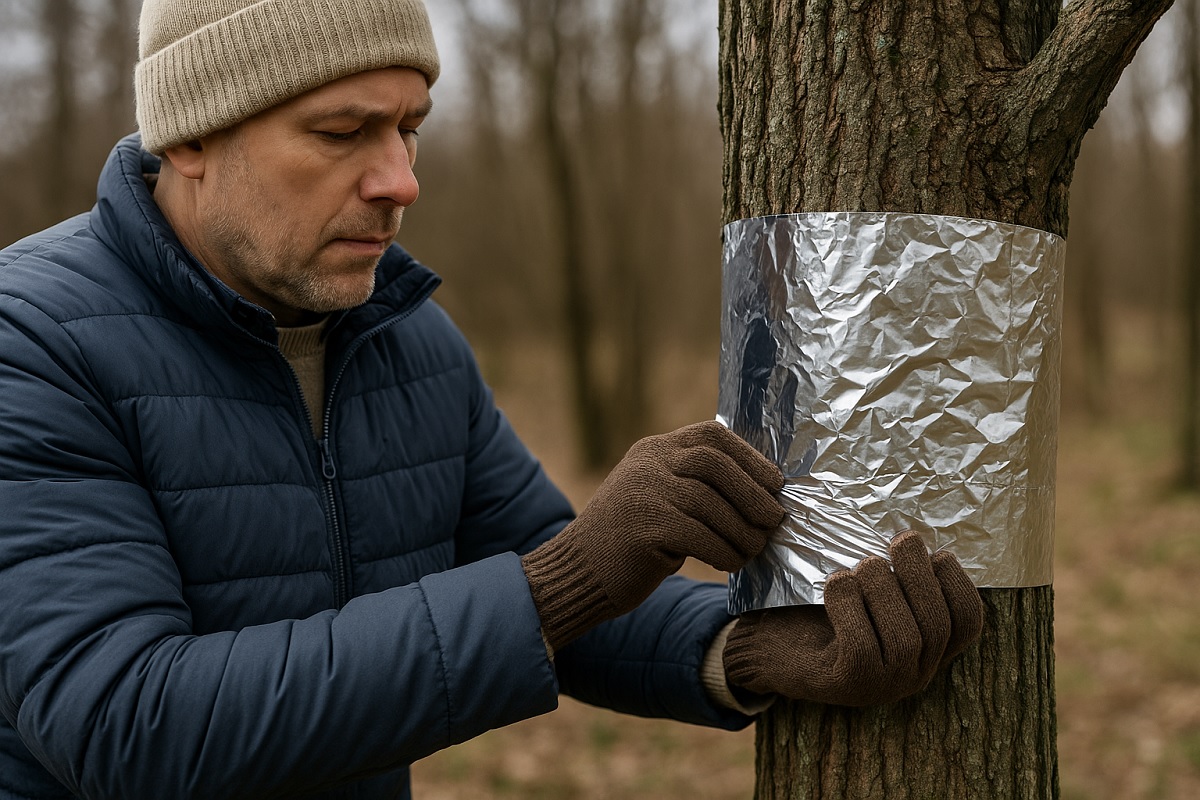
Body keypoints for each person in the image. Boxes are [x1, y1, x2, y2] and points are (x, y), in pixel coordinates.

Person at [0, 1, 984, 797]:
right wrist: (573, 570)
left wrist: (759, 648)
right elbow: (125, 722)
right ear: (190, 137)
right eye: (343, 131)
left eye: (409, 129)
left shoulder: (404, 338)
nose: (399, 179)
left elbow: (547, 596)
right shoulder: (32, 340)